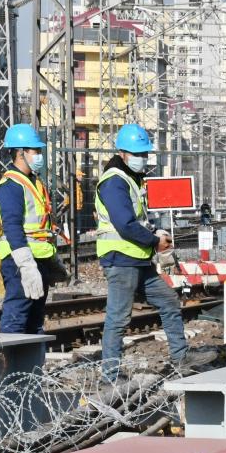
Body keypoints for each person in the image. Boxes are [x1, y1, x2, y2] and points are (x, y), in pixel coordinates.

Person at [95, 124, 187, 379]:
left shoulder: (131, 179)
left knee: (169, 301)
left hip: (137, 259)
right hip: (121, 259)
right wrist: (155, 242)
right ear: (122, 153)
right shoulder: (114, 181)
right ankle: (110, 377)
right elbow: (124, 224)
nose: (142, 159)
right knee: (119, 319)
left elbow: (137, 221)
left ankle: (181, 361)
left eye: (145, 154)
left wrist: (154, 235)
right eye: (138, 154)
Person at [0, 122, 56, 334]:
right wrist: (27, 265)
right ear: (21, 153)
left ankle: (31, 367)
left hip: (38, 260)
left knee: (35, 320)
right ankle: (9, 366)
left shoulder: (33, 182)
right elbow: (13, 228)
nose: (39, 155)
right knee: (16, 318)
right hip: (20, 262)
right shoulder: (11, 186)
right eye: (35, 150)